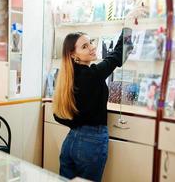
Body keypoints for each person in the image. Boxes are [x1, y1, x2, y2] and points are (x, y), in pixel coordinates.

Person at [53, 27, 133, 182]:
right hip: (91, 144)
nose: (92, 47)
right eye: (84, 46)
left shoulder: (68, 77)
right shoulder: (91, 75)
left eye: (90, 43)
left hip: (71, 142)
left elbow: (58, 115)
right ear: (73, 54)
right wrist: (128, 26)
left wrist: (78, 122)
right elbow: (118, 55)